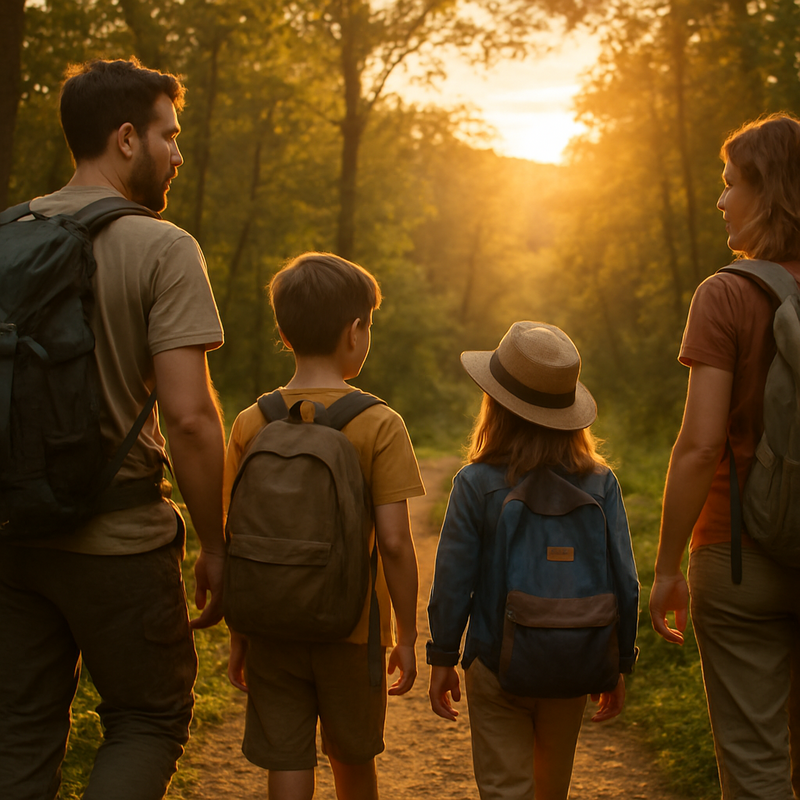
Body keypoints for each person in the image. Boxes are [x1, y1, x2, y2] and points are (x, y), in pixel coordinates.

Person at [0, 59, 226, 799]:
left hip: (10, 535)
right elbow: (190, 419)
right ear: (127, 138)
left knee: (19, 731)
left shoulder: (7, 236)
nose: (178, 152)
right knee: (146, 720)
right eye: (170, 134)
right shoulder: (163, 247)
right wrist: (216, 544)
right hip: (117, 542)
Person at [224, 252, 425, 800]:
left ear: (284, 333)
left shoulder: (251, 421)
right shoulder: (379, 423)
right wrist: (406, 636)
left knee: (286, 757)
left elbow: (236, 538)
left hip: (269, 623)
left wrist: (239, 632)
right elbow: (394, 543)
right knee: (351, 754)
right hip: (351, 628)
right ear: (355, 332)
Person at [649, 113, 800, 799]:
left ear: (767, 192)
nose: (720, 200)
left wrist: (667, 566)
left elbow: (700, 445)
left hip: (739, 555)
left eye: (730, 183)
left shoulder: (727, 295)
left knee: (755, 767)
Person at [427, 321, 639, 800]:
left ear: (495, 404)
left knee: (506, 790)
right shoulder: (600, 482)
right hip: (574, 658)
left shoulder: (476, 482)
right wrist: (619, 661)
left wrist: (443, 655)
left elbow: (453, 578)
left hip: (493, 658)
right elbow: (625, 579)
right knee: (552, 790)